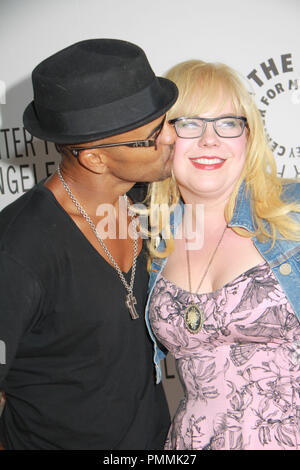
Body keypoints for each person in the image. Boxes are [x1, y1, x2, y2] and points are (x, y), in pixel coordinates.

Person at [0, 39, 178, 450]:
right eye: (153, 135)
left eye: (169, 120)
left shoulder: (151, 206)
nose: (171, 138)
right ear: (96, 159)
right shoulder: (20, 249)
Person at [145, 59, 300, 450]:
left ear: (249, 136)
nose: (209, 140)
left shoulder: (293, 213)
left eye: (227, 123)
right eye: (189, 124)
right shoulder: (147, 239)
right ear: (163, 138)